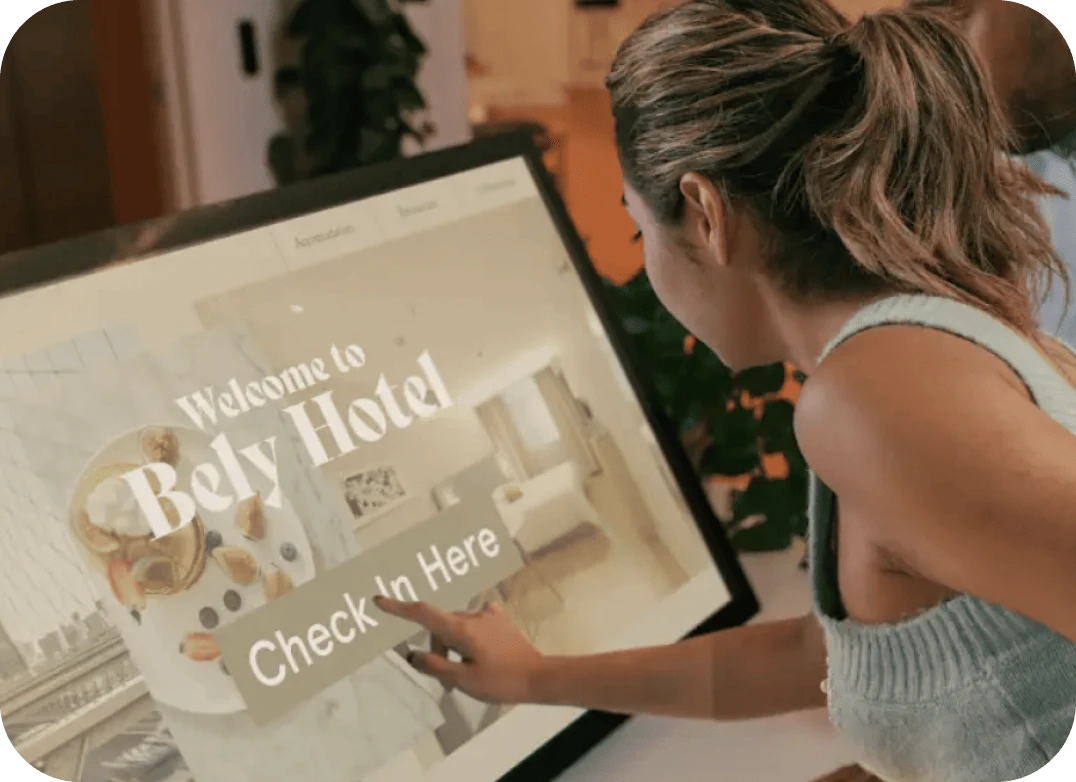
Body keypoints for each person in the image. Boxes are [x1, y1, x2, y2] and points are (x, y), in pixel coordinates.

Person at [376, 2, 1076, 781]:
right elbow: (819, 653)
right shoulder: (908, 350)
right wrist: (537, 677)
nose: (646, 262)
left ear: (706, 214)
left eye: (639, 230)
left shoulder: (871, 399)